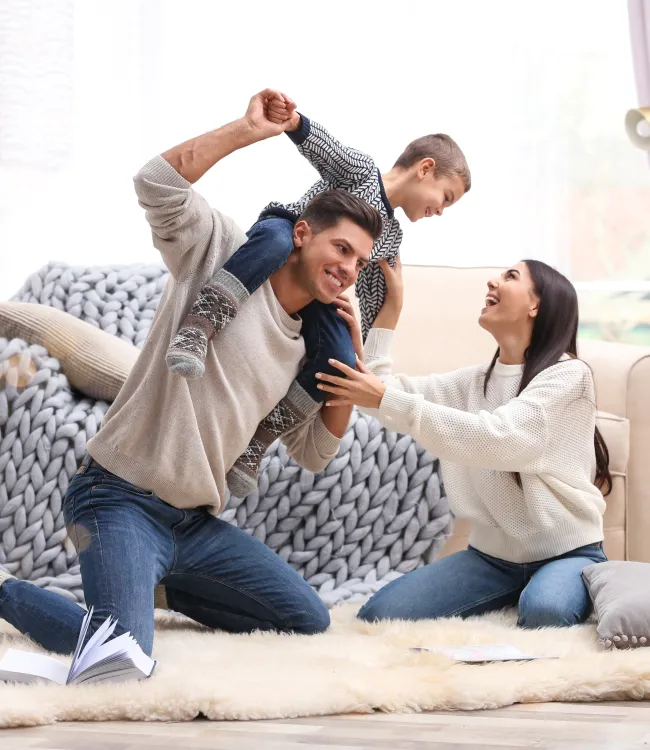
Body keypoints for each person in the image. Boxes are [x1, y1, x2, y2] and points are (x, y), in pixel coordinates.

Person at [0, 89, 383, 656]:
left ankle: (156, 585)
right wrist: (247, 130)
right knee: (120, 651)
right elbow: (155, 181)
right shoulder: (222, 251)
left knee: (306, 619)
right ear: (301, 233)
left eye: (359, 261)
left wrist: (350, 359)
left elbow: (315, 454)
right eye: (342, 248)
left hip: (193, 525)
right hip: (117, 498)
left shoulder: (316, 343)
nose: (349, 269)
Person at [167, 92, 471, 497]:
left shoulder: (390, 239)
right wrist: (292, 122)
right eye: (445, 198)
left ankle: (258, 441)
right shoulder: (361, 172)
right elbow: (329, 151)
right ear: (426, 169)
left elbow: (372, 298)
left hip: (319, 291)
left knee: (341, 361)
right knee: (276, 242)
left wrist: (390, 309)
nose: (441, 211)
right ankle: (198, 327)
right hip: (288, 234)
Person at [317, 258, 611, 628]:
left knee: (546, 612)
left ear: (536, 305)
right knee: (381, 615)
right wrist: (391, 309)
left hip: (566, 552)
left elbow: (500, 437)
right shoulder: (473, 382)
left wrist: (385, 399)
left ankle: (570, 582)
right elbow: (381, 398)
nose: (493, 280)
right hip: (490, 559)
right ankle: (519, 593)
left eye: (511, 276)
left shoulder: (570, 375)